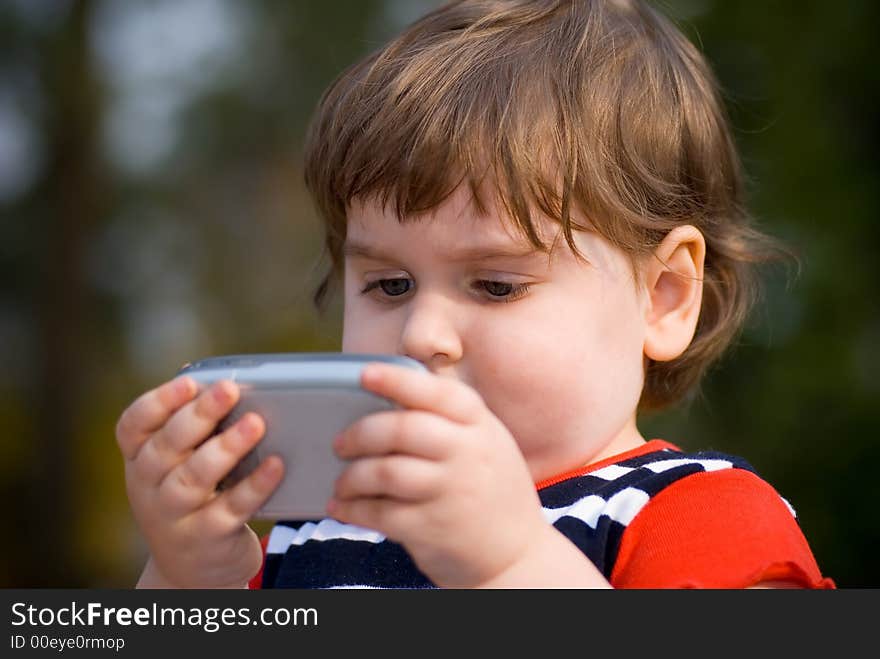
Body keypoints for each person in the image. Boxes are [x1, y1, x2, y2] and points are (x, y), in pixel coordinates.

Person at [116, 0, 834, 589]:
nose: (424, 332)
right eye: (389, 284)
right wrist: (185, 578)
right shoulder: (306, 537)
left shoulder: (702, 515)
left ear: (665, 297)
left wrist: (511, 562)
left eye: (495, 284)